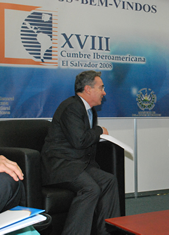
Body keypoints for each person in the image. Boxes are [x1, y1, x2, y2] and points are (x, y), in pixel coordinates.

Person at [41, 70, 120, 235]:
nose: (104, 92)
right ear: (88, 89)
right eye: (101, 88)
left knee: (109, 180)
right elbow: (80, 141)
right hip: (62, 164)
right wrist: (98, 130)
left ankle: (106, 231)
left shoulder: (90, 111)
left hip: (79, 164)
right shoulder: (71, 107)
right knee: (91, 189)